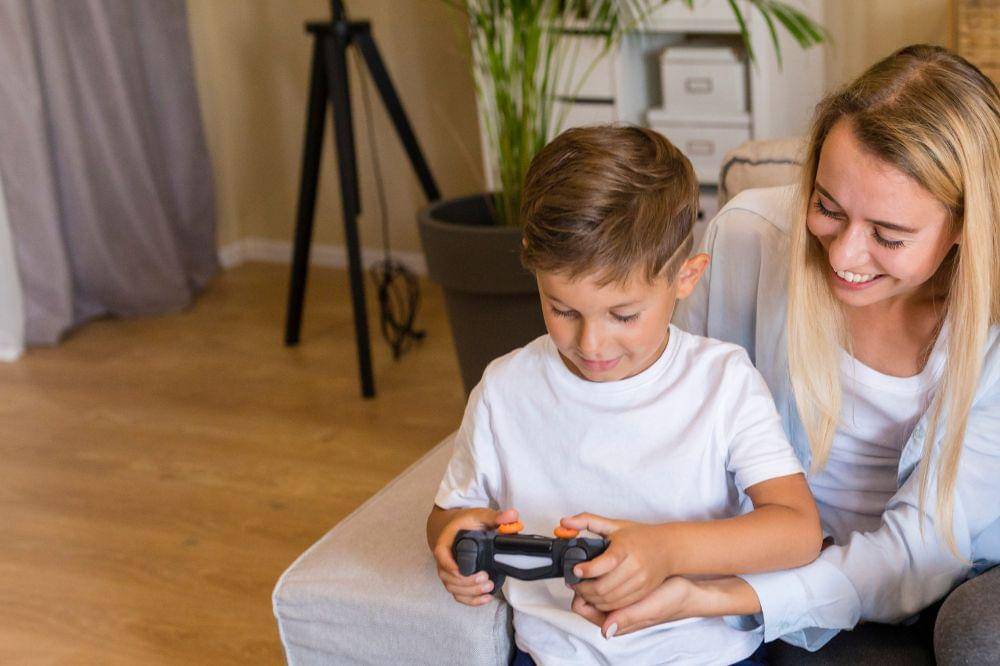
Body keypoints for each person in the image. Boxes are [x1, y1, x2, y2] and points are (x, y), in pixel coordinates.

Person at [568, 45, 1000, 663]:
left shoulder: (990, 331)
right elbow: (664, 414)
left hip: (930, 577)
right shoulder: (749, 239)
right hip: (764, 559)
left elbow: (917, 555)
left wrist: (716, 596)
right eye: (827, 208)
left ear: (964, 227)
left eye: (888, 236)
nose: (843, 256)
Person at [425, 126, 823, 665]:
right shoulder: (505, 389)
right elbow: (450, 512)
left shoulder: (722, 382)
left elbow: (798, 529)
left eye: (624, 315)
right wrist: (452, 537)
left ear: (686, 277)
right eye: (562, 309)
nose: (591, 343)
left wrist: (667, 550)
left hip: (704, 657)